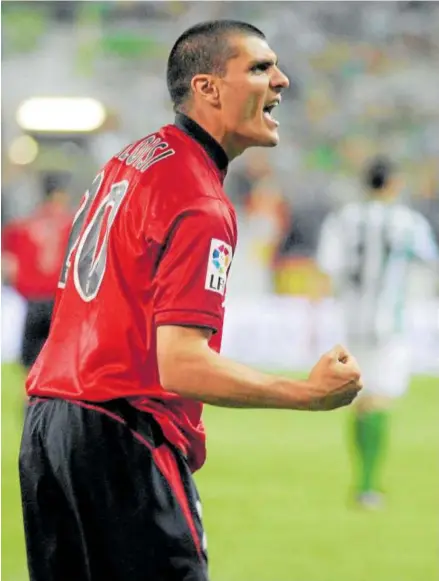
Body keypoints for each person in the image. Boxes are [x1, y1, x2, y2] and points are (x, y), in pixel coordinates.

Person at [19, 20, 363, 581]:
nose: (282, 79)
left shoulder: (132, 160)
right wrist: (306, 393)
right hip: (121, 434)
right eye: (258, 67)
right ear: (207, 88)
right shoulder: (199, 199)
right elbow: (181, 364)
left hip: (49, 429)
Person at [316, 157, 438, 510]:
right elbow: (429, 258)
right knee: (380, 399)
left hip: (352, 322)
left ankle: (362, 480)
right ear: (395, 184)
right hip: (389, 325)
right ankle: (368, 486)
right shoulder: (407, 222)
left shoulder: (342, 220)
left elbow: (327, 266)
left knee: (359, 401)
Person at [2, 173, 73, 372]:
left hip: (32, 302)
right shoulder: (73, 224)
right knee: (60, 364)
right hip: (61, 303)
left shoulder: (22, 226)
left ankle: (31, 402)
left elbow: (11, 267)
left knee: (30, 365)